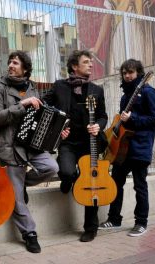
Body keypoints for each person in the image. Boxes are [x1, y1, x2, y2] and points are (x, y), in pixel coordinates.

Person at [0, 50, 59, 253]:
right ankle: (30, 234)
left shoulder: (32, 87)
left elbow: (41, 117)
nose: (11, 65)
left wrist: (58, 130)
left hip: (31, 145)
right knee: (17, 199)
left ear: (25, 69)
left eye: (16, 63)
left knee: (51, 167)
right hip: (9, 147)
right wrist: (22, 104)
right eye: (10, 62)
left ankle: (18, 186)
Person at [42, 50, 108, 242]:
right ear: (74, 67)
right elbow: (46, 107)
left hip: (90, 143)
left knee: (91, 182)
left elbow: (103, 115)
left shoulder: (97, 90)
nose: (90, 65)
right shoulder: (59, 87)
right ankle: (69, 179)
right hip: (68, 143)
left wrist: (99, 126)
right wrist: (57, 129)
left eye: (90, 62)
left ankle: (91, 227)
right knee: (68, 172)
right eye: (86, 62)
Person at [99, 59, 155, 236]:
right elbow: (122, 121)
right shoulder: (126, 96)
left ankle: (141, 222)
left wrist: (133, 118)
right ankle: (114, 219)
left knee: (139, 186)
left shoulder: (148, 92)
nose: (127, 76)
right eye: (125, 73)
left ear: (139, 73)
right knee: (115, 183)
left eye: (131, 72)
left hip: (140, 147)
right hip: (122, 149)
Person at [90, 0, 155, 76]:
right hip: (122, 30)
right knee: (121, 65)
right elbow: (107, 16)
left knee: (143, 66)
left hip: (143, 26)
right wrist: (97, 47)